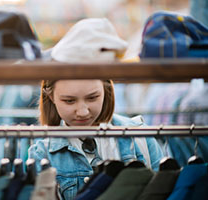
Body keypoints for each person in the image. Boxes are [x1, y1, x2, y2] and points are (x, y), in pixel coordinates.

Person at [28, 18, 164, 200]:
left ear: (106, 89)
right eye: (69, 101)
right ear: (50, 96)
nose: (83, 111)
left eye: (92, 98)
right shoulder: (40, 153)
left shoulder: (140, 136)